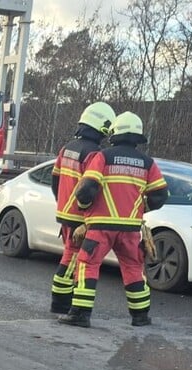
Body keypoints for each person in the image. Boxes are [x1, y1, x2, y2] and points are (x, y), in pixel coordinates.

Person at [59, 111, 168, 328]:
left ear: (114, 133)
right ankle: (140, 316)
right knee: (133, 268)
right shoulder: (148, 163)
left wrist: (84, 209)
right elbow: (160, 195)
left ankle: (80, 314)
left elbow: (86, 189)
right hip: (130, 229)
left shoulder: (103, 157)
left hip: (100, 226)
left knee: (87, 264)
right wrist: (139, 208)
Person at [48, 101, 116, 314]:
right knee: (77, 260)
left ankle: (59, 303)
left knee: (68, 255)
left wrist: (63, 205)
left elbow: (55, 182)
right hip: (82, 216)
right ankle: (68, 305)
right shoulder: (95, 154)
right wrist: (88, 215)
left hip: (65, 214)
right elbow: (91, 188)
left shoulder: (66, 149)